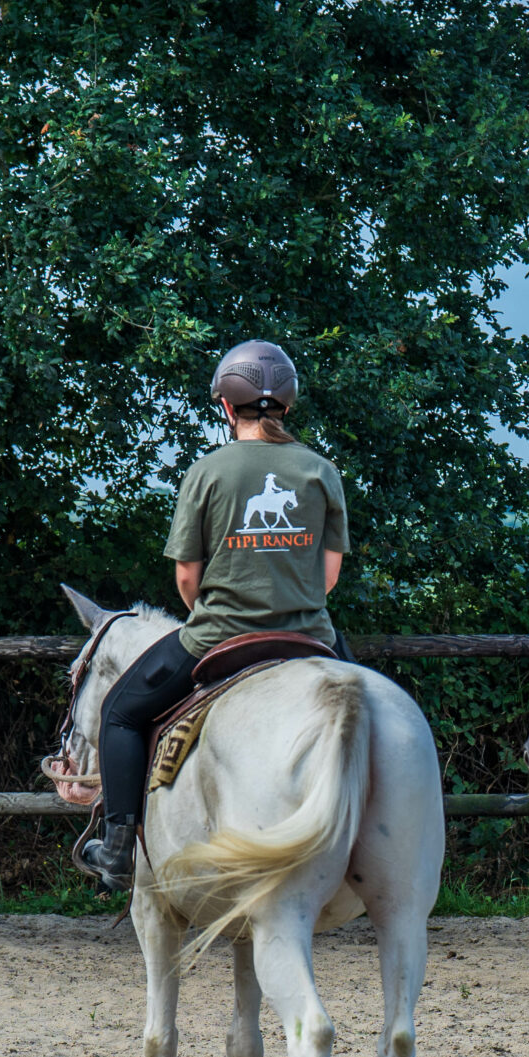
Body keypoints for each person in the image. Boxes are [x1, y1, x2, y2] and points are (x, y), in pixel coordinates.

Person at [77, 340, 348, 894]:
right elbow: (328, 577)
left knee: (122, 716)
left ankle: (118, 847)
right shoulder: (321, 471)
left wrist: (225, 609)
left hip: (218, 635)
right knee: (379, 709)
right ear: (288, 405)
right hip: (309, 637)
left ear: (227, 406)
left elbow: (185, 579)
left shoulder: (208, 471)